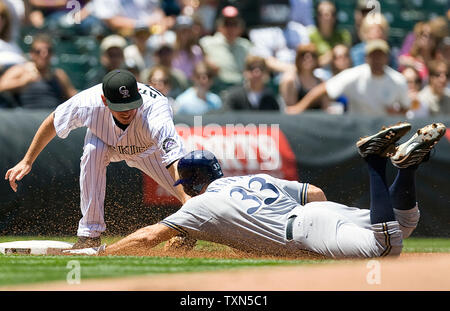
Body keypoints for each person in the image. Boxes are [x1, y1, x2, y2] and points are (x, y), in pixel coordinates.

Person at [67, 122, 447, 258]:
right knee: (403, 222)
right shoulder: (246, 180)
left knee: (385, 245)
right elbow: (314, 193)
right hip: (318, 215)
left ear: (192, 184)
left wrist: (103, 253)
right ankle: (408, 168)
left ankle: (375, 163)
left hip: (303, 233)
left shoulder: (199, 208)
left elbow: (150, 235)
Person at [4, 69, 191, 249]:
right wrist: (27, 160)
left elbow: (173, 156)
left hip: (148, 149)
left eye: (130, 105)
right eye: (120, 107)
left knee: (190, 194)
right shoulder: (88, 102)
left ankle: (189, 228)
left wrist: (186, 201)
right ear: (105, 100)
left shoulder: (156, 108)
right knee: (92, 151)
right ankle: (89, 234)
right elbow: (53, 121)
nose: (126, 111)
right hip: (106, 140)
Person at [286, 39, 410, 116]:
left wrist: (397, 113)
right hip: (359, 132)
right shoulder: (354, 75)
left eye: (380, 55)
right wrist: (299, 108)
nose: (377, 60)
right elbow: (324, 88)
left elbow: (406, 107)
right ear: (366, 58)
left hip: (386, 134)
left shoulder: (398, 80)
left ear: (387, 58)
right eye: (373, 56)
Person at [0, 33, 77, 109]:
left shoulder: (58, 74)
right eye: (38, 51)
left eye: (48, 51)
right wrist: (23, 81)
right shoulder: (21, 70)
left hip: (52, 116)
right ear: (32, 53)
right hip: (27, 116)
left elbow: (73, 96)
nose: (44, 55)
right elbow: (2, 86)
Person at [199, 5, 252, 93]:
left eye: (234, 24)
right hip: (217, 88)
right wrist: (207, 63)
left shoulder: (245, 45)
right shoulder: (206, 43)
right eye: (227, 24)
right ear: (219, 26)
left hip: (241, 87)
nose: (230, 28)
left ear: (240, 27)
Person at [279, 43, 327, 109]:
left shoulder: (321, 81)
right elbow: (290, 110)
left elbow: (326, 108)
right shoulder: (291, 81)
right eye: (303, 55)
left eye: (312, 56)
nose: (308, 58)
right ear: (298, 58)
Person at [308, 1, 351, 67]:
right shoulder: (310, 35)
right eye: (321, 14)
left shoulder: (344, 35)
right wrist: (333, 53)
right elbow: (309, 63)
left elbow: (346, 59)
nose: (326, 17)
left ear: (334, 17)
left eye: (331, 14)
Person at [171, 15, 205, 81]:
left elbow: (199, 71)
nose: (184, 34)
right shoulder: (170, 50)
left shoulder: (196, 50)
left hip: (191, 84)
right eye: (182, 31)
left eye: (187, 31)